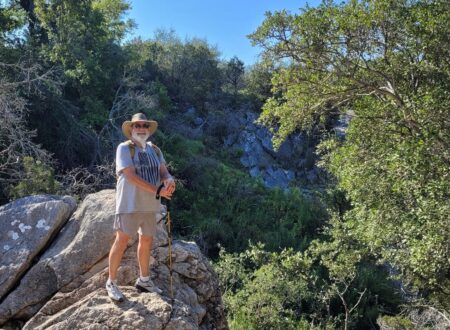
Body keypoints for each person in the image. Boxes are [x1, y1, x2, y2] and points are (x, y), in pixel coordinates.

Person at [106, 113, 176, 302]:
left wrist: (169, 180)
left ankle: (144, 280)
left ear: (149, 129)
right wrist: (158, 190)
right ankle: (111, 282)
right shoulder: (124, 148)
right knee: (121, 240)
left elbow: (163, 171)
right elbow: (129, 176)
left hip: (150, 205)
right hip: (129, 203)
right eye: (137, 126)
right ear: (131, 129)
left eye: (145, 125)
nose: (141, 128)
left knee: (146, 241)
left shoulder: (155, 150)